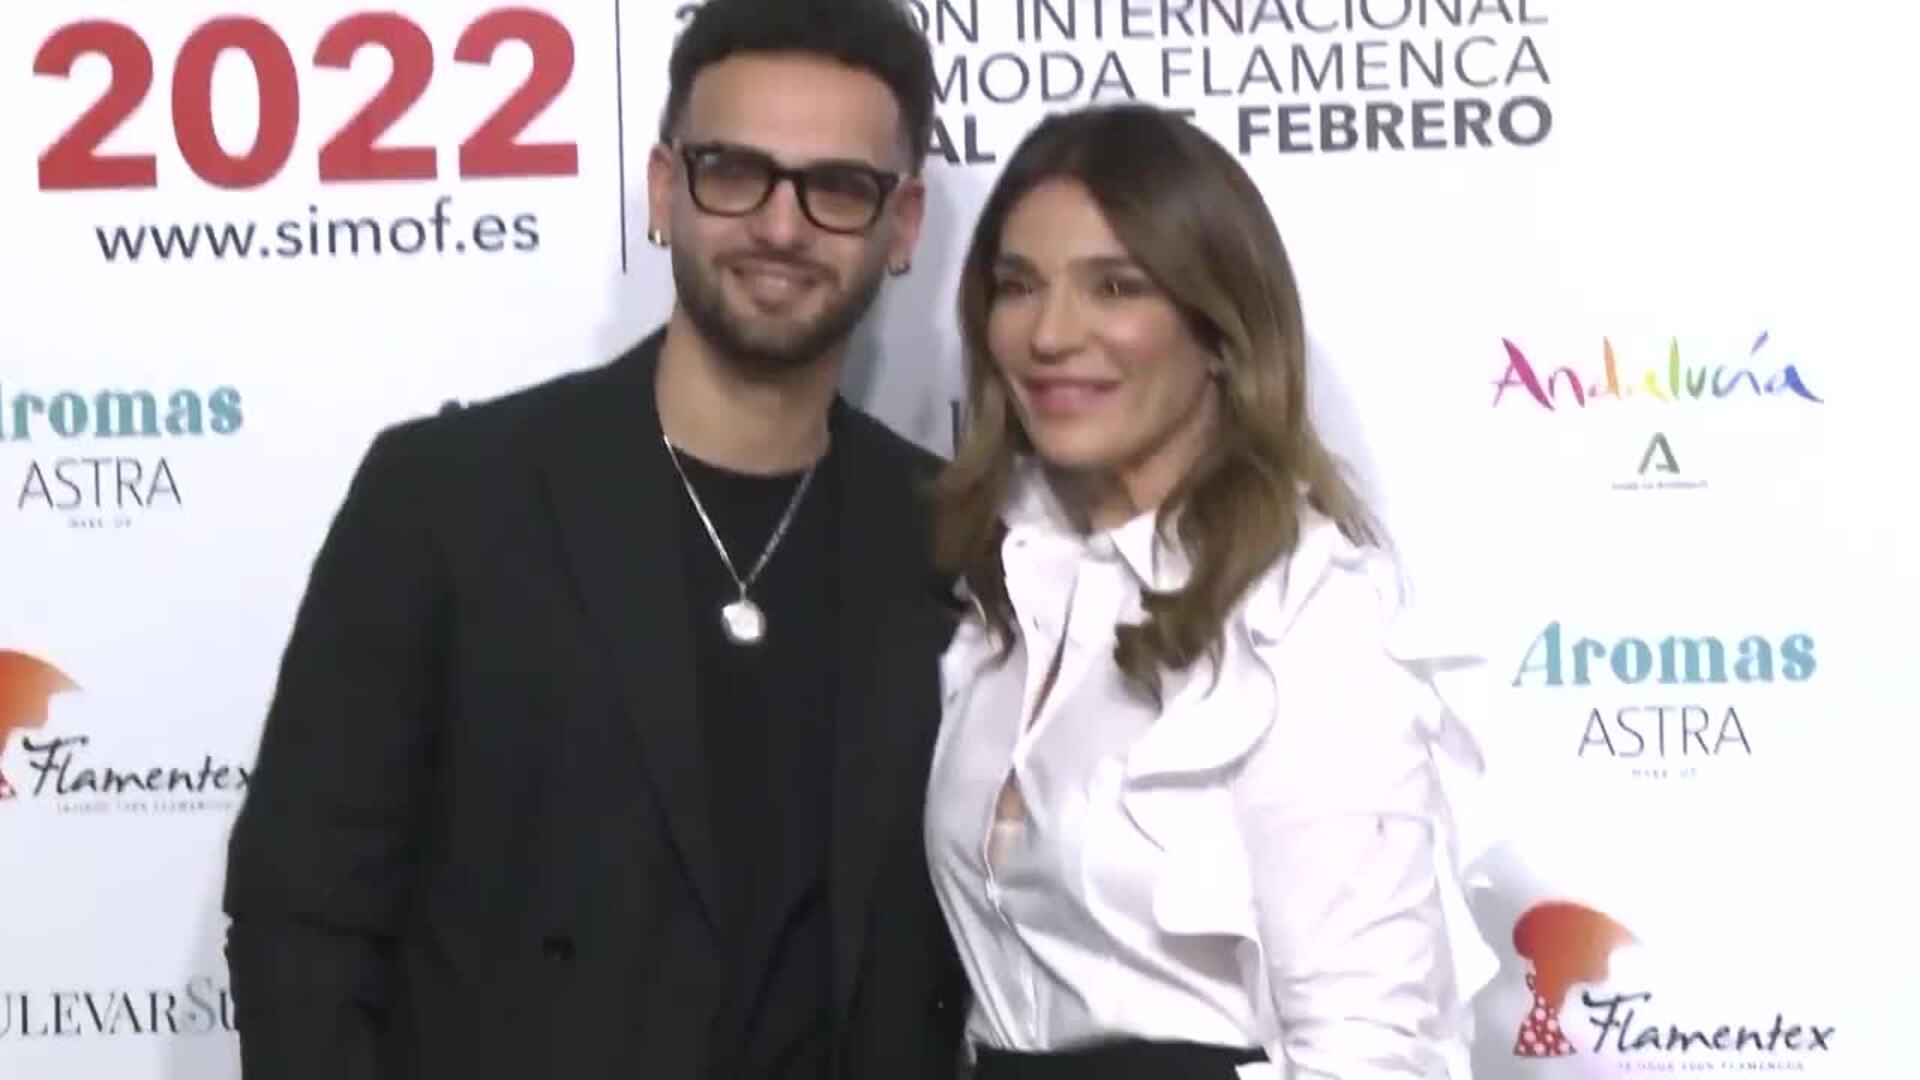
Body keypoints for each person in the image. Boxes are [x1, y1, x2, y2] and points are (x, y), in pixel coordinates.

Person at [220, 1, 969, 1077]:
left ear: (902, 226)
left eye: (837, 188)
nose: (781, 225)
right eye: (733, 172)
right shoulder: (449, 499)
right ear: (665, 191)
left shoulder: (949, 534)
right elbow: (302, 918)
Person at [924, 103, 1501, 1079]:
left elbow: (1368, 1045)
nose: (1050, 333)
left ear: (1220, 330)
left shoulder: (1304, 616)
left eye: (1115, 286)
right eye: (1018, 286)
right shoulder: (1001, 590)